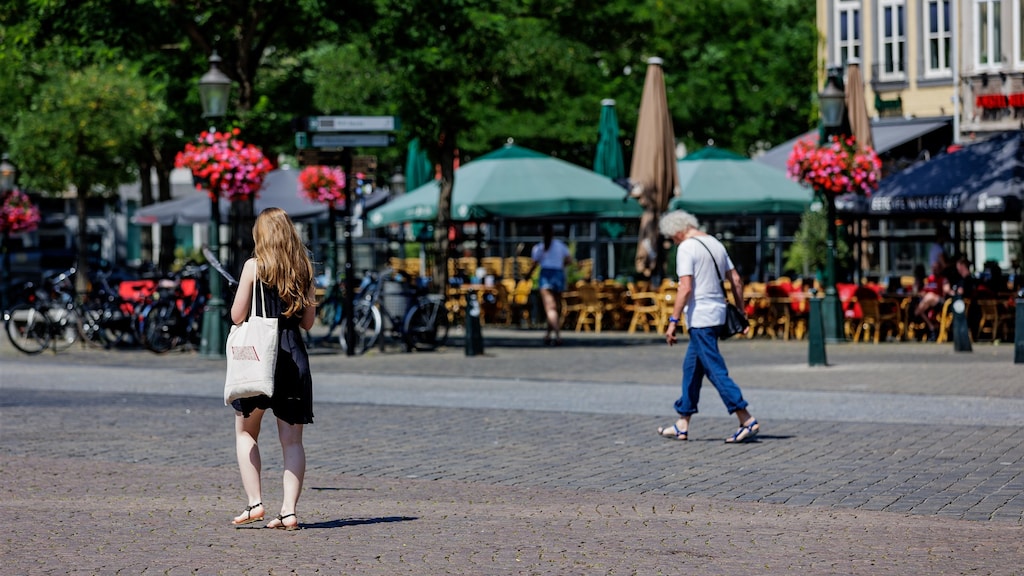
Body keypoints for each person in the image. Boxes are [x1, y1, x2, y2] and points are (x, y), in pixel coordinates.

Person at [228, 208, 316, 531]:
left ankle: (255, 502)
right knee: (292, 442)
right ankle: (289, 511)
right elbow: (307, 322)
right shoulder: (303, 269)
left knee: (246, 432)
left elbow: (237, 316)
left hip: (259, 358)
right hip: (292, 355)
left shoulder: (254, 267)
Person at [655, 210, 759, 443]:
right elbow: (736, 281)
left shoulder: (686, 248)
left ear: (678, 231)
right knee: (691, 368)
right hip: (717, 313)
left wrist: (672, 321)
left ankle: (746, 418)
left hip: (700, 317)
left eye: (672, 238)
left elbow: (685, 287)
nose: (673, 242)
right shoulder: (716, 243)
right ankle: (683, 422)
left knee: (714, 369)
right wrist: (741, 313)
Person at [525, 223, 573, 346]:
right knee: (554, 308)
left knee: (550, 308)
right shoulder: (560, 246)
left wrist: (527, 276)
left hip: (546, 275)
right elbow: (569, 260)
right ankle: (548, 334)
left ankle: (557, 336)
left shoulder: (539, 248)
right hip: (558, 275)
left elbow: (534, 264)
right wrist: (561, 266)